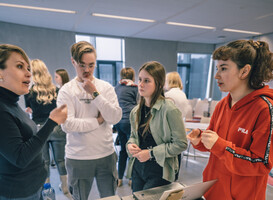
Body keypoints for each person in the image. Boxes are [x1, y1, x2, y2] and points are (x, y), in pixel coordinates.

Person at [187, 40, 273, 199]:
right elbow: (215, 146)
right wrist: (201, 139)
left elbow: (261, 163)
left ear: (244, 71)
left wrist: (219, 145)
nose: (216, 75)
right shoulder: (222, 105)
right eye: (217, 68)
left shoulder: (265, 110)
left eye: (224, 68)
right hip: (212, 192)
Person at [0, 44, 67, 199]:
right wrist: (51, 122)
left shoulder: (12, 103)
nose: (28, 74)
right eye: (19, 66)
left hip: (33, 188)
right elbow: (20, 157)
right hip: (18, 193)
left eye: (28, 68)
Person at [57, 41, 122, 200]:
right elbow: (68, 125)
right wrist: (98, 121)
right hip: (78, 157)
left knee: (109, 197)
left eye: (91, 65)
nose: (87, 70)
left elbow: (115, 117)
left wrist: (95, 94)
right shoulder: (66, 90)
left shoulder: (105, 87)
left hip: (106, 154)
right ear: (73, 62)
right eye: (82, 65)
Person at [126, 61, 188, 192]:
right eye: (140, 79)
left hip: (160, 170)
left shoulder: (169, 109)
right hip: (139, 168)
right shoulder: (136, 111)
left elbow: (181, 144)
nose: (141, 85)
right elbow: (133, 136)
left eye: (147, 80)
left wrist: (150, 153)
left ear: (159, 84)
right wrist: (130, 145)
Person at [24, 61, 70, 195]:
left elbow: (30, 109)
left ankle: (47, 188)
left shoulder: (29, 91)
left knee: (44, 161)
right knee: (60, 160)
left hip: (40, 129)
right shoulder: (56, 90)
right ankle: (65, 187)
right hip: (56, 128)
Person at [114, 67, 138, 187]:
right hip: (130, 122)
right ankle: (131, 178)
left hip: (118, 121)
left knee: (123, 150)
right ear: (133, 77)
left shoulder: (117, 87)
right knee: (132, 150)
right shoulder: (135, 88)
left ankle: (119, 178)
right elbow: (139, 105)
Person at [164, 71, 190, 181]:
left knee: (170, 156)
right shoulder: (182, 94)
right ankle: (174, 178)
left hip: (170, 130)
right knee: (177, 155)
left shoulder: (168, 95)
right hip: (181, 127)